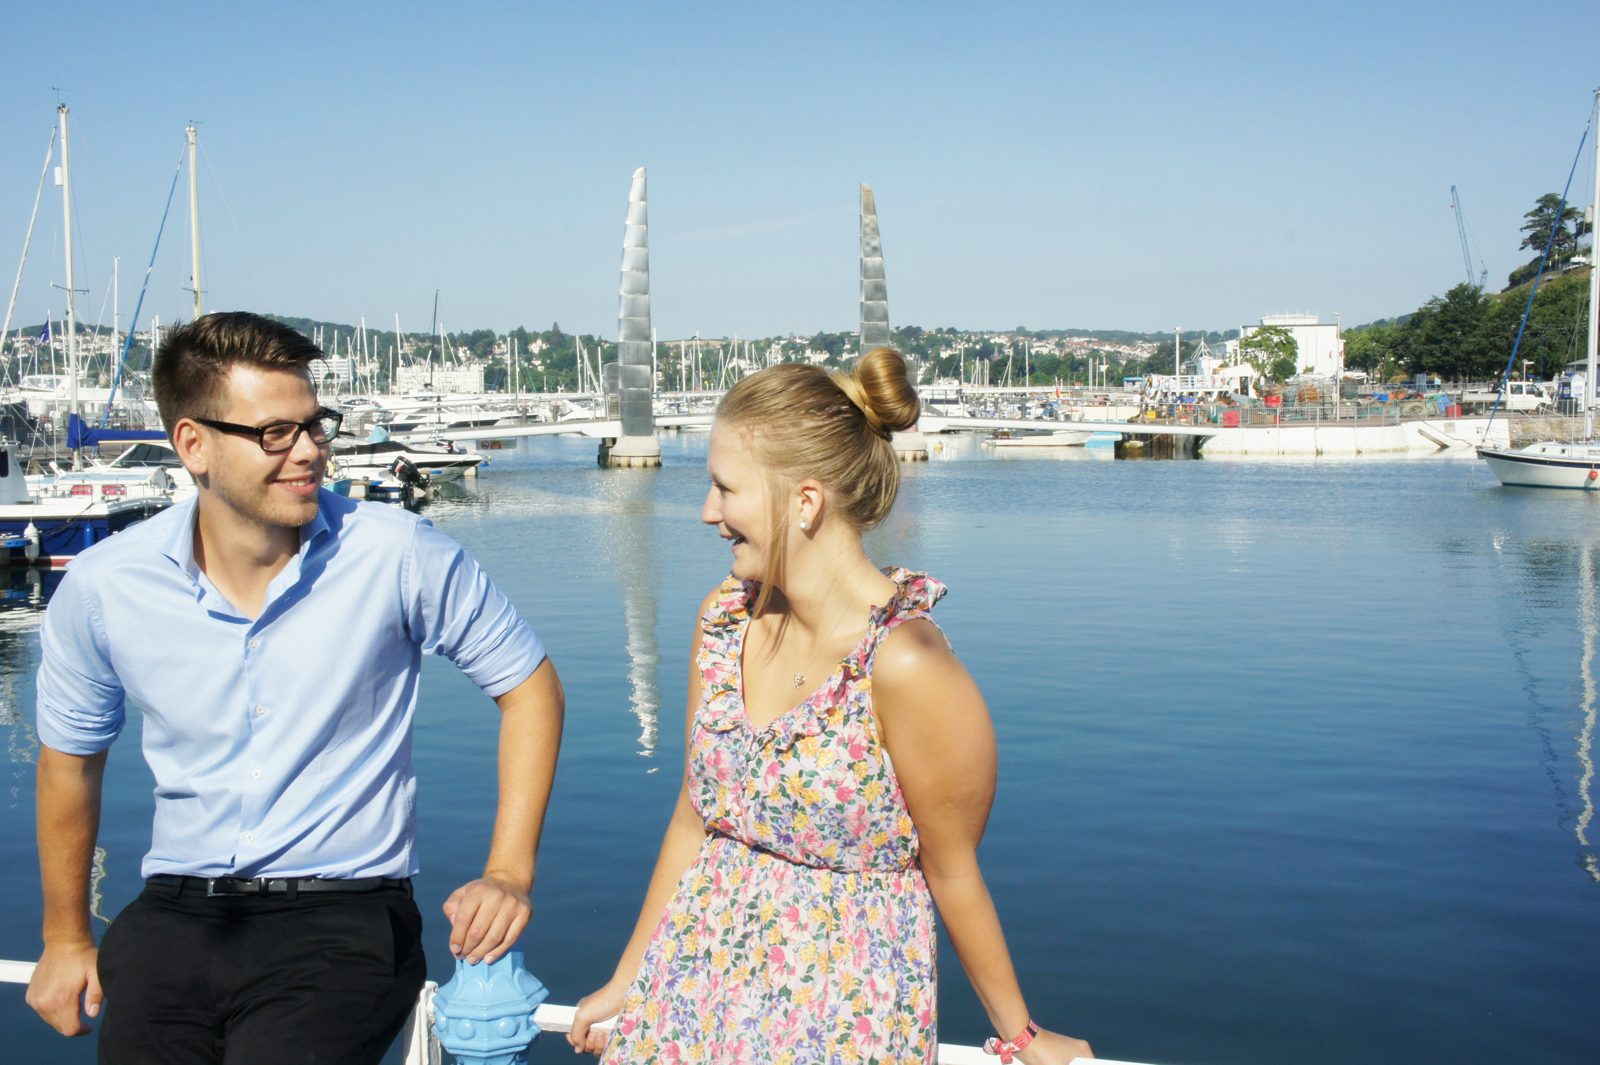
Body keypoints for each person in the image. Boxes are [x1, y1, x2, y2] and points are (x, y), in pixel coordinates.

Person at [26, 312, 564, 1063]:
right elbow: (70, 760)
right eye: (276, 432)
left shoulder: (397, 554)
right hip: (173, 917)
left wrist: (509, 872)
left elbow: (530, 687)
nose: (311, 450)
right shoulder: (103, 585)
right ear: (194, 445)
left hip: (344, 918)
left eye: (316, 425)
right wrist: (63, 936)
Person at [569, 348, 1092, 1064]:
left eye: (726, 488)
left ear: (804, 501)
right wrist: (628, 977)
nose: (708, 512)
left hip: (839, 1019)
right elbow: (695, 815)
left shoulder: (906, 664)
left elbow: (953, 868)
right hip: (687, 1003)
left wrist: (1025, 1035)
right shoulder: (723, 621)